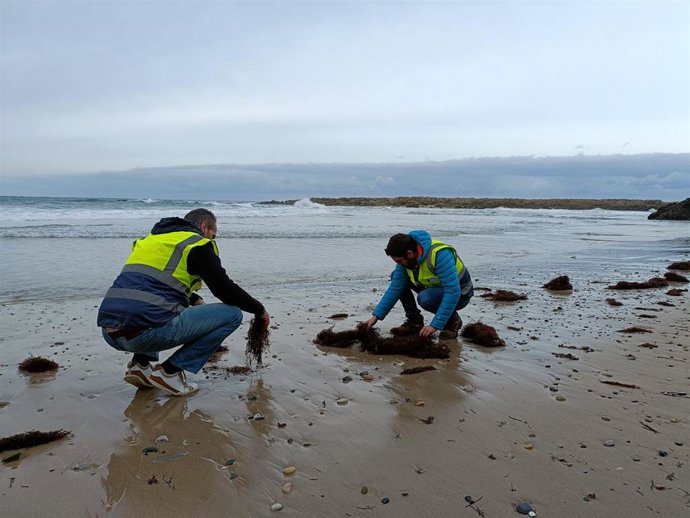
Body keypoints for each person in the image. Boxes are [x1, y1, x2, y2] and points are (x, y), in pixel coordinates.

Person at [97, 208, 269, 396]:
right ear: (204, 226)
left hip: (110, 333)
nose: (212, 239)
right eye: (213, 235)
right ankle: (171, 372)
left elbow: (153, 284)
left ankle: (140, 365)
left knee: (154, 307)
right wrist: (259, 310)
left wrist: (194, 298)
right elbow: (224, 290)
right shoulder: (197, 244)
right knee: (233, 315)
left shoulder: (151, 241)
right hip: (145, 335)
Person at [363, 230, 473, 339]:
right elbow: (395, 288)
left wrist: (435, 325)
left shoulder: (440, 254)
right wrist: (376, 317)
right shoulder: (407, 257)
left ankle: (452, 321)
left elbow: (452, 291)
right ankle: (414, 321)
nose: (399, 264)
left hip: (461, 293)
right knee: (395, 276)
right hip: (433, 289)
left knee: (425, 298)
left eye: (399, 261)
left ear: (409, 254)